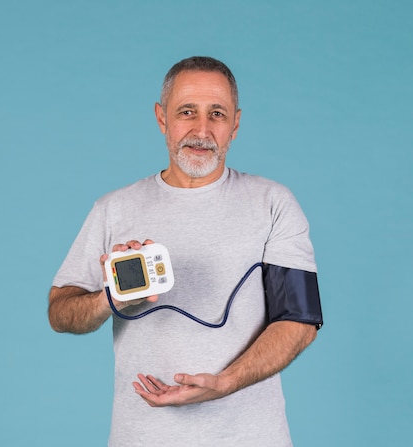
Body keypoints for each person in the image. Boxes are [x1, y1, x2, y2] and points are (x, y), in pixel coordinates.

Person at [48, 56, 323, 446]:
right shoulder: (113, 209)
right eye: (187, 112)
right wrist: (110, 299)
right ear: (162, 118)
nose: (202, 129)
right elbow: (60, 313)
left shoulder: (273, 204)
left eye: (217, 114)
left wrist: (223, 383)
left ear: (236, 125)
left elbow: (298, 320)